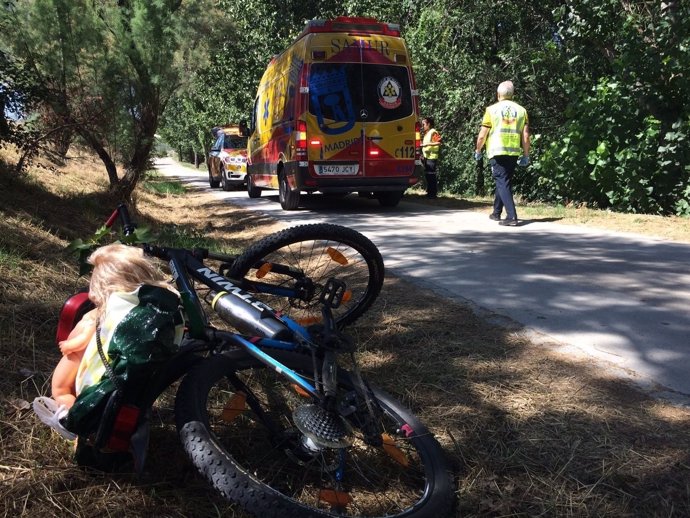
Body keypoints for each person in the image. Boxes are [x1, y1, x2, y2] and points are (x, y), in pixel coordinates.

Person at [32, 244, 184, 440]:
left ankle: (71, 416)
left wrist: (71, 344)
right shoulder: (139, 308)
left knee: (60, 390)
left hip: (80, 366)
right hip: (113, 379)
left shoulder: (103, 312)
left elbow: (87, 334)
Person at [474, 81, 530, 226]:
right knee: (504, 181)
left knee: (502, 181)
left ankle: (511, 216)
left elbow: (482, 135)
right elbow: (525, 135)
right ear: (513, 94)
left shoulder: (491, 110)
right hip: (513, 152)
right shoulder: (522, 110)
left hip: (497, 150)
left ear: (498, 94)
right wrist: (525, 154)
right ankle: (496, 212)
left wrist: (478, 149)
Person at [421, 116, 442, 198]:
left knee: (431, 175)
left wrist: (426, 144)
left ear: (428, 124)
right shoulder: (427, 132)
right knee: (428, 175)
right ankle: (429, 192)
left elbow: (438, 142)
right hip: (427, 157)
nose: (423, 126)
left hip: (432, 157)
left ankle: (433, 194)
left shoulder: (433, 132)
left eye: (424, 124)